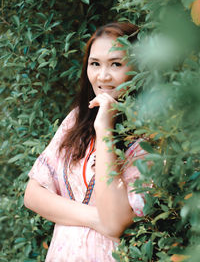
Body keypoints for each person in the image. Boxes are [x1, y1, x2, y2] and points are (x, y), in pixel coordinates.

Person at [24, 22, 146, 262]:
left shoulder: (150, 137)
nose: (103, 76)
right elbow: (32, 194)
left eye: (116, 64)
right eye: (95, 64)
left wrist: (104, 129)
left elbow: (114, 223)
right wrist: (94, 218)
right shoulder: (76, 121)